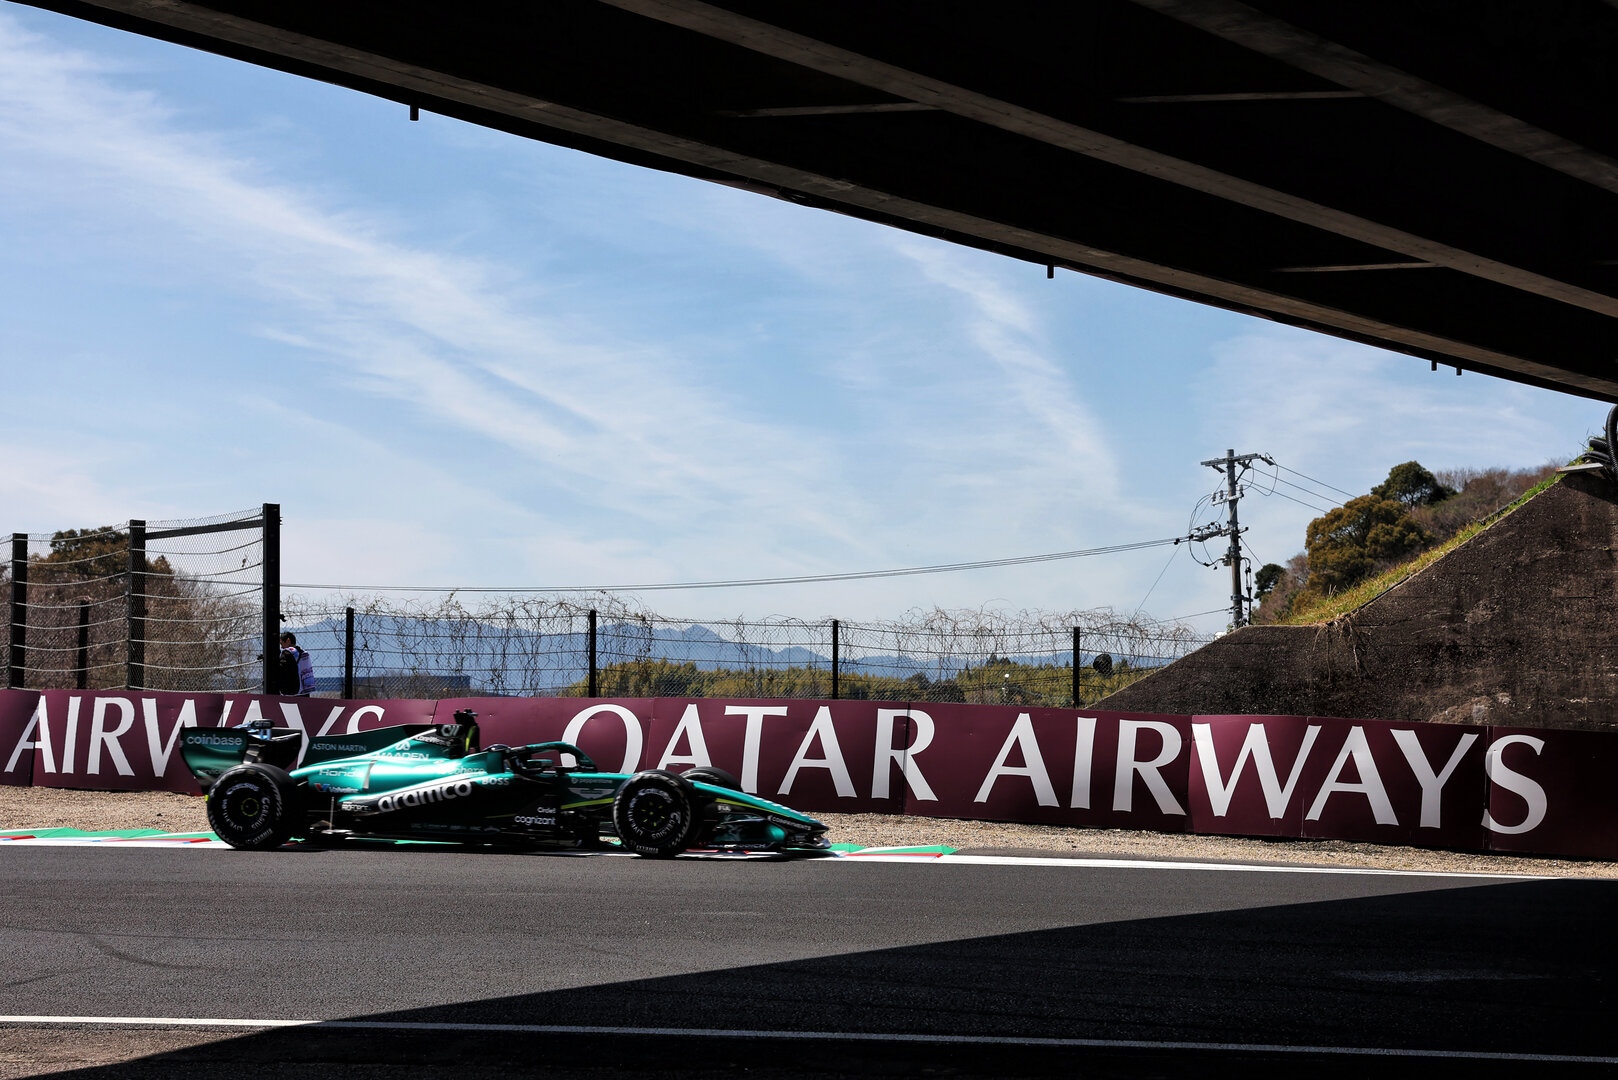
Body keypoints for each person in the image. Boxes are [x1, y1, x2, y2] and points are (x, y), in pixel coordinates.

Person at [278, 632, 316, 696]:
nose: (281, 647)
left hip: (292, 692)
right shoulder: (304, 653)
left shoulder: (287, 652)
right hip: (305, 691)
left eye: (281, 643)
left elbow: (281, 669)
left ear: (288, 641)